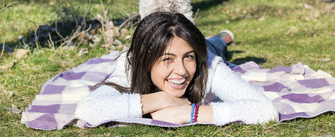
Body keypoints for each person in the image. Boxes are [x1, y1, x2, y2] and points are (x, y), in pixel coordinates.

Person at [75, 12, 279, 125]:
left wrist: (192, 113)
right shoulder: (130, 66)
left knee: (216, 45)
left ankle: (222, 38)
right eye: (167, 59)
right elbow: (87, 110)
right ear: (146, 60)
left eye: (188, 57)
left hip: (210, 49)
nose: (181, 71)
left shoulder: (208, 64)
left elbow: (266, 110)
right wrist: (162, 99)